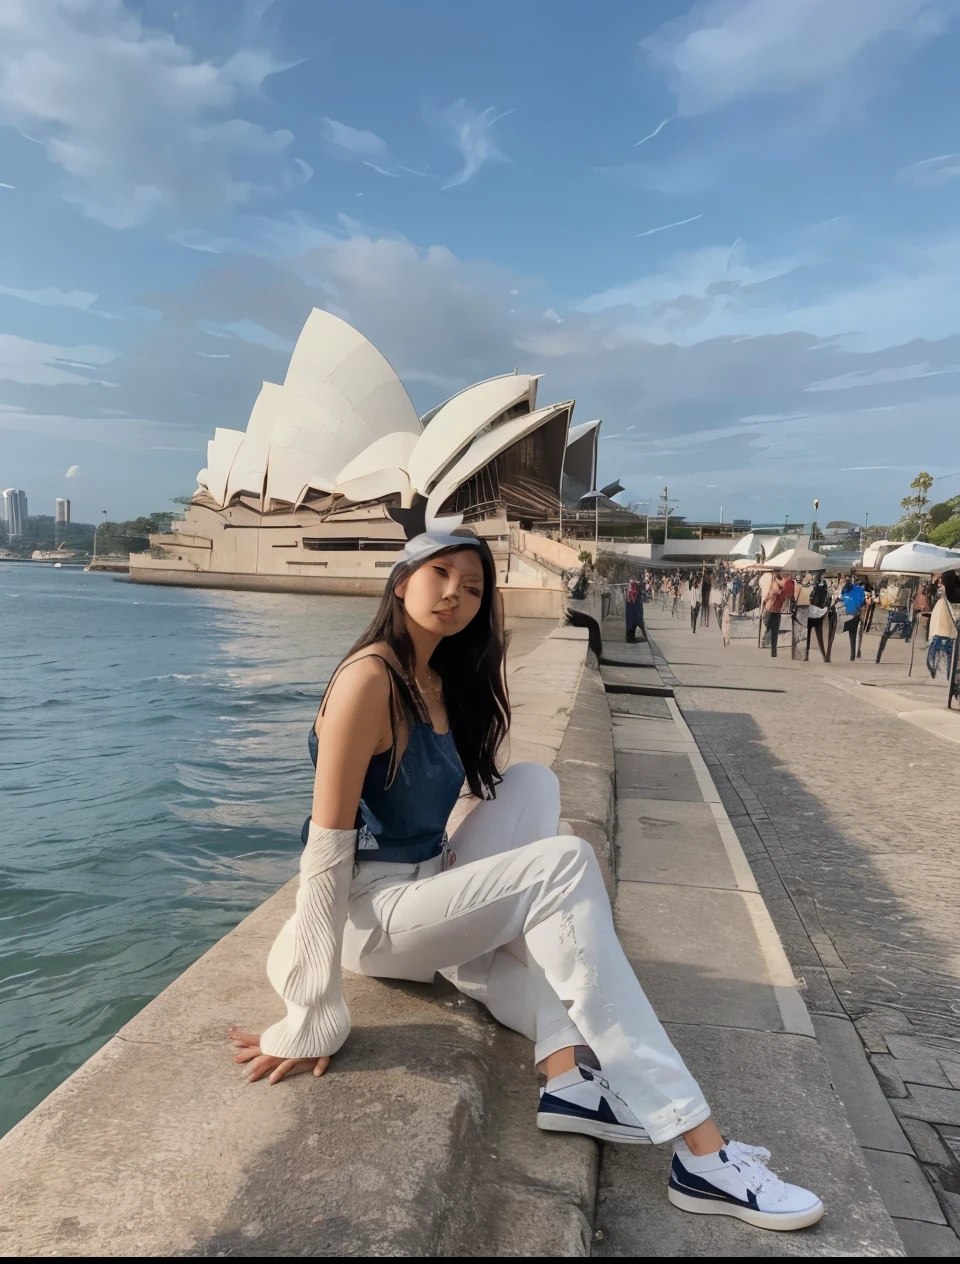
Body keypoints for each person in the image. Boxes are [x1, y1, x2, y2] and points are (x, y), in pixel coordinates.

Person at [227, 520, 823, 1232]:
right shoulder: (368, 679)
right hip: (373, 915)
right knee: (565, 864)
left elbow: (463, 804)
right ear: (401, 579)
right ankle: (700, 1148)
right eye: (441, 575)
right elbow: (325, 856)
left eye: (474, 586)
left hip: (427, 886)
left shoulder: (443, 677)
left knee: (536, 784)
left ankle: (568, 1074)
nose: (456, 594)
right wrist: (312, 1014)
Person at [763, 573, 788, 658]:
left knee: (768, 629)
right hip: (775, 611)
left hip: (772, 611)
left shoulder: (775, 587)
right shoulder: (779, 588)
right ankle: (773, 651)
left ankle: (768, 646)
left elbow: (770, 596)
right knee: (773, 631)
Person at [625, 576, 645, 643]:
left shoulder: (634, 593)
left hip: (633, 613)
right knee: (632, 625)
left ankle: (631, 637)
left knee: (632, 625)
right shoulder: (633, 593)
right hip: (634, 614)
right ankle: (630, 638)